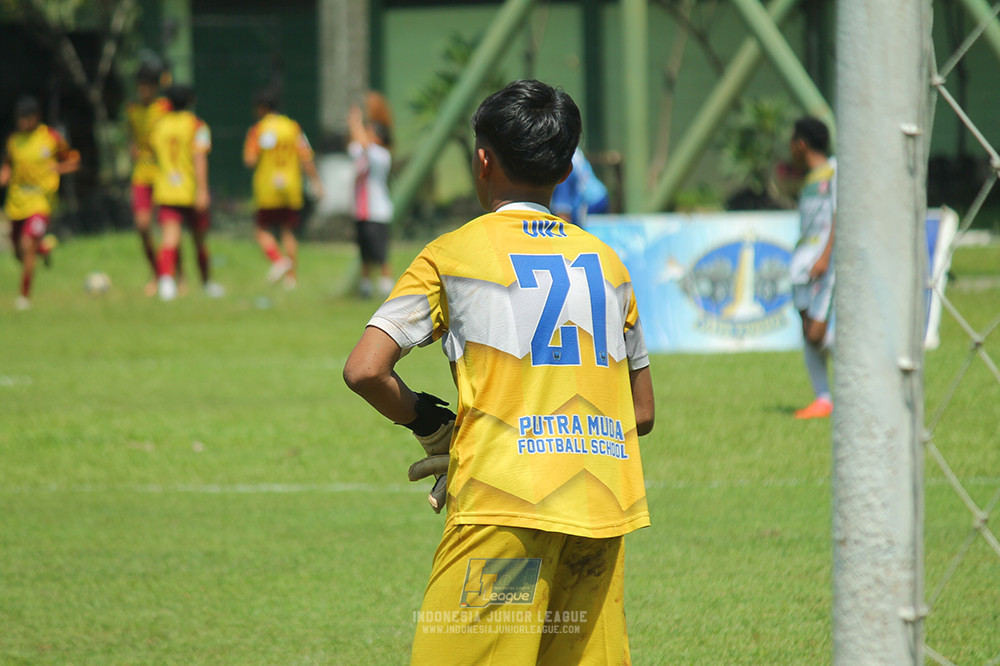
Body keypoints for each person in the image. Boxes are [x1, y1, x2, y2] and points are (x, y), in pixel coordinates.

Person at [343, 80, 655, 664]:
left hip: (504, 514)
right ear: (564, 169)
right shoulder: (609, 265)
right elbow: (641, 412)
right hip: (600, 512)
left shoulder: (453, 254)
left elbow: (365, 370)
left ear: (482, 160)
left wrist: (432, 425)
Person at [0, 96, 79, 310]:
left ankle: (24, 297)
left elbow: (73, 159)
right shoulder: (13, 141)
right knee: (18, 252)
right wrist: (4, 175)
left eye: (26, 118)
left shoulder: (50, 137)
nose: (23, 123)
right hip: (16, 204)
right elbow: (7, 164)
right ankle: (43, 249)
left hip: (41, 203)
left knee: (26, 246)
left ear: (36, 117)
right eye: (20, 119)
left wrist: (58, 169)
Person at [148, 84, 224, 301]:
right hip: (190, 190)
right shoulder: (197, 125)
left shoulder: (159, 126)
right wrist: (202, 190)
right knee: (200, 241)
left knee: (169, 239)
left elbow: (152, 155)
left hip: (166, 190)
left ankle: (166, 284)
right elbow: (199, 158)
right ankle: (207, 283)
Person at [243, 90, 325, 289]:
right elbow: (306, 156)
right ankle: (291, 279)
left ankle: (278, 260)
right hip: (290, 186)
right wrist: (316, 182)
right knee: (288, 231)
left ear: (262, 108)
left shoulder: (258, 130)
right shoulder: (293, 127)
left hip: (268, 188)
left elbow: (250, 159)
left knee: (261, 229)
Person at [789, 116, 836, 419]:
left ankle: (863, 376)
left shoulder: (835, 172)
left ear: (801, 143)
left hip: (824, 265)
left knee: (818, 334)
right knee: (808, 333)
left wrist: (824, 257)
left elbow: (840, 216)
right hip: (802, 266)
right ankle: (823, 399)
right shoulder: (809, 178)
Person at [126, 60, 173, 296]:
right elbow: (131, 138)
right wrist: (132, 149)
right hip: (142, 175)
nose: (143, 90)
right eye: (141, 85)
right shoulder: (133, 110)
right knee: (143, 226)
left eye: (148, 86)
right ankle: (156, 272)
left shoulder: (166, 108)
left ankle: (174, 275)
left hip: (164, 173)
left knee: (169, 227)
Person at [347, 93, 394, 298]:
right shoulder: (365, 153)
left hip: (377, 212)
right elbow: (355, 145)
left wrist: (355, 121)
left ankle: (387, 286)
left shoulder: (381, 155)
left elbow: (364, 143)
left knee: (380, 254)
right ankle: (365, 287)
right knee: (364, 254)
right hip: (362, 211)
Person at [550, 146, 609, 227]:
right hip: (598, 196)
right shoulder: (568, 149)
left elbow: (564, 216)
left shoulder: (560, 160)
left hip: (592, 202)